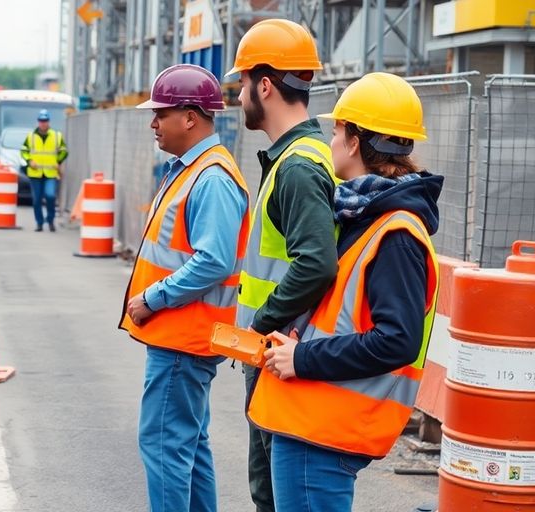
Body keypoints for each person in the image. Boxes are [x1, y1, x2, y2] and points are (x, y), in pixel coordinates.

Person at [250, 72, 442, 512]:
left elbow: (397, 339)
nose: (330, 140)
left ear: (355, 141)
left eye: (336, 130)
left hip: (324, 428)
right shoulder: (365, 215)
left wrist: (303, 358)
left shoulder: (395, 232)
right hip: (313, 420)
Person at [120, 64, 251, 512]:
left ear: (191, 117)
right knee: (187, 447)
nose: (153, 123)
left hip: (182, 337)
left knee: (163, 448)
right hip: (185, 336)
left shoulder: (211, 177)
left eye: (161, 114)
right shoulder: (192, 169)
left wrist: (151, 299)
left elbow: (211, 261)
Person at [226, 19, 341, 511]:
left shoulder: (296, 166)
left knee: (272, 493)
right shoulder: (299, 157)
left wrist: (261, 322)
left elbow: (316, 264)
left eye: (242, 85)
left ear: (265, 85)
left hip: (277, 350)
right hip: (278, 349)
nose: (238, 97)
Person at [20, 109, 68, 232]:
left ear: (48, 122)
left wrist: (58, 161)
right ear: (38, 122)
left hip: (50, 173)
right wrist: (29, 160)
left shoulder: (56, 136)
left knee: (50, 195)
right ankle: (39, 223)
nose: (43, 123)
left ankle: (50, 220)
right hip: (35, 173)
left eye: (45, 121)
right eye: (41, 121)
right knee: (36, 200)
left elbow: (64, 151)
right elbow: (23, 151)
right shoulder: (31, 136)